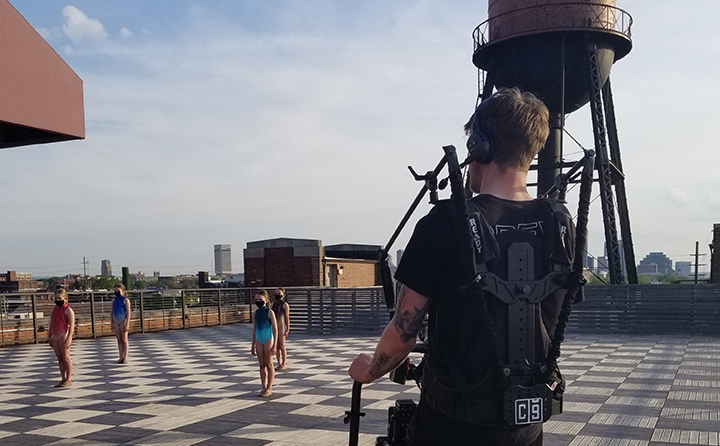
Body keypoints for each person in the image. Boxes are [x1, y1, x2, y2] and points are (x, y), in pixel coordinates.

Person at [349, 88, 576, 445]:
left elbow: (403, 333)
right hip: (525, 429)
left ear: (478, 147)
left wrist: (370, 369)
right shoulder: (561, 223)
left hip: (451, 427)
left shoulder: (443, 222)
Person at [251, 290, 278, 397]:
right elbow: (254, 329)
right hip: (258, 338)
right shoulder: (255, 313)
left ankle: (269, 387)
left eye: (260, 300)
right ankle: (263, 386)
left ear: (266, 300)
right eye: (256, 300)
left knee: (269, 364)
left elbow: (275, 329)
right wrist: (252, 345)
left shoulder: (270, 312)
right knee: (262, 365)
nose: (258, 301)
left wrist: (275, 345)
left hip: (268, 339)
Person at [48, 288, 75, 387]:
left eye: (60, 298)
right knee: (59, 358)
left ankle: (68, 378)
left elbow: (71, 325)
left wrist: (69, 338)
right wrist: (49, 335)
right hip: (55, 336)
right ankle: (63, 378)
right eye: (56, 299)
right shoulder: (54, 310)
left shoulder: (68, 310)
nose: (57, 301)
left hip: (64, 335)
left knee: (66, 358)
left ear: (65, 299)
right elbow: (51, 323)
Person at [111, 283, 131, 364]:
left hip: (123, 320)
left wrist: (127, 323)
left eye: (118, 291)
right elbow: (111, 312)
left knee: (124, 339)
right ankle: (121, 357)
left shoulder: (125, 300)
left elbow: (128, 313)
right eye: (115, 291)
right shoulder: (114, 301)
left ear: (122, 291)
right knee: (119, 339)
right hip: (116, 320)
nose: (117, 292)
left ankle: (125, 357)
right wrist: (111, 323)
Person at [271, 287, 290, 371]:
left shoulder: (285, 305)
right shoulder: (273, 304)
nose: (277, 295)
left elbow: (287, 318)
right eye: (276, 293)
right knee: (277, 345)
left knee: (282, 345)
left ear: (283, 295)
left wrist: (287, 329)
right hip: (275, 326)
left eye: (279, 294)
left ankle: (284, 363)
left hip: (282, 325)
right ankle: (278, 363)